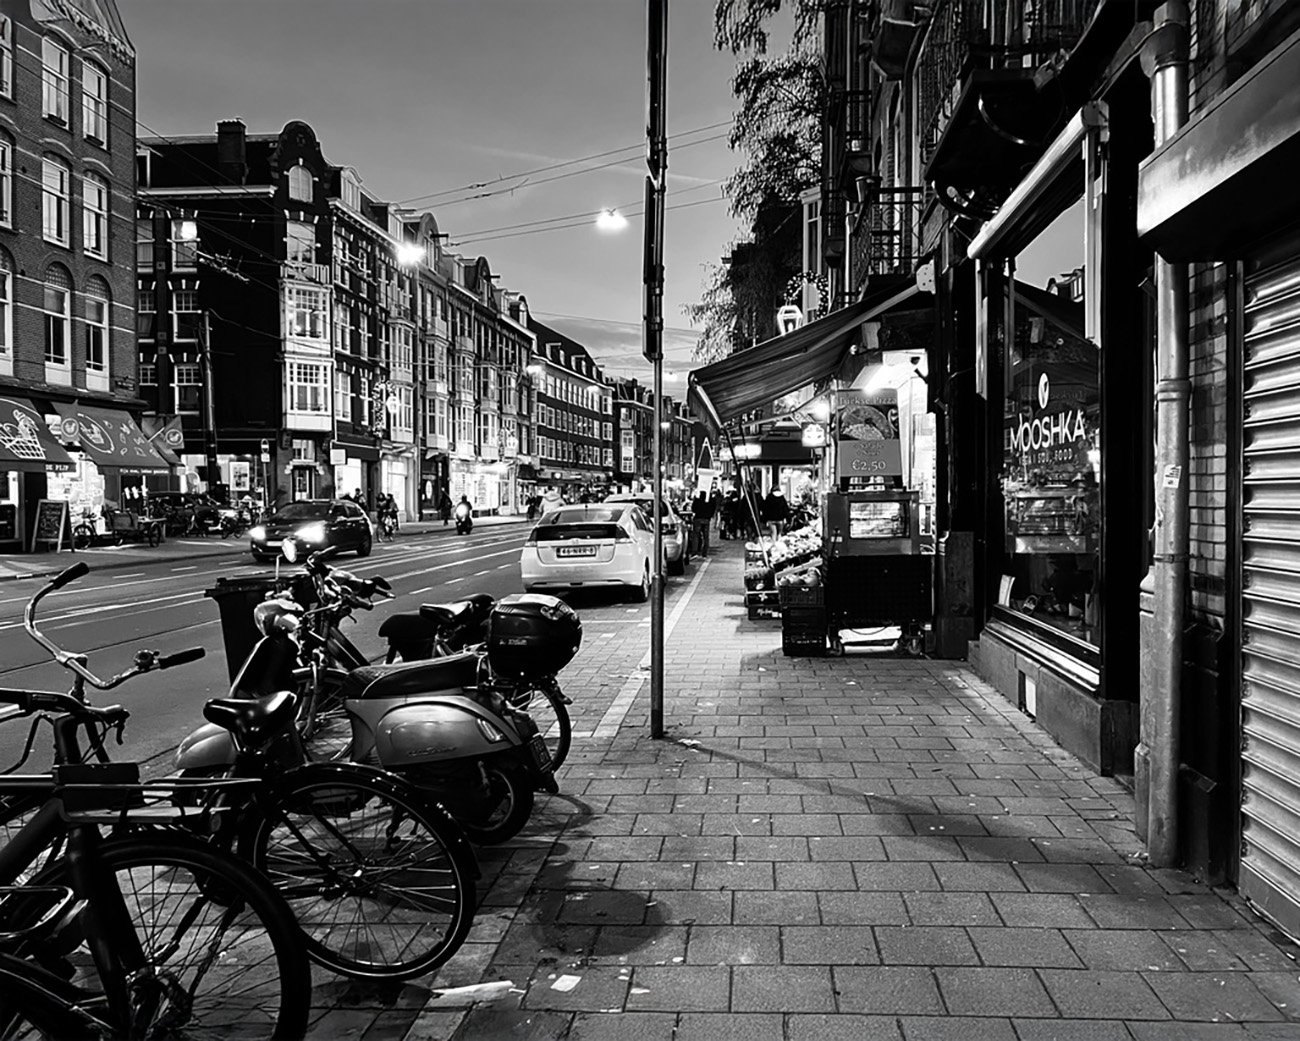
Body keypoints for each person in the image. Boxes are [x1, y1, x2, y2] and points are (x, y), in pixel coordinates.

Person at [691, 490, 714, 558]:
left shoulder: (697, 500)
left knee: (696, 536)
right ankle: (704, 553)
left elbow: (693, 509)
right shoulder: (709, 501)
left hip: (698, 519)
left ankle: (695, 552)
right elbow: (712, 509)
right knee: (706, 537)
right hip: (706, 519)